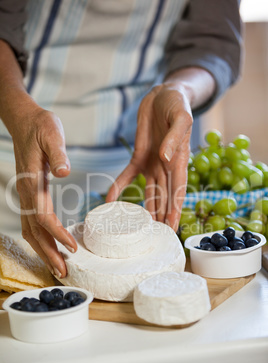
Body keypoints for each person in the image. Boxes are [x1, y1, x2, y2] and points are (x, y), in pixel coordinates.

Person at [0, 0, 242, 279]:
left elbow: (213, 41)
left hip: (129, 163)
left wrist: (180, 89)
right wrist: (20, 113)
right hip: (12, 147)